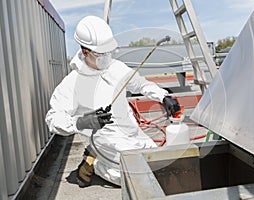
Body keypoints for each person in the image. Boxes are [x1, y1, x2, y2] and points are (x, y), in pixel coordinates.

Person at [45, 15, 180, 187]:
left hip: (130, 130)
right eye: (102, 54)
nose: (108, 57)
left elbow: (139, 84)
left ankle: (99, 158)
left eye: (109, 52)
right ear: (85, 52)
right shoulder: (72, 83)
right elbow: (53, 119)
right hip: (103, 136)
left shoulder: (115, 67)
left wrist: (162, 96)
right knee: (135, 178)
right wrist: (81, 122)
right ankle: (94, 163)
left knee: (156, 164)